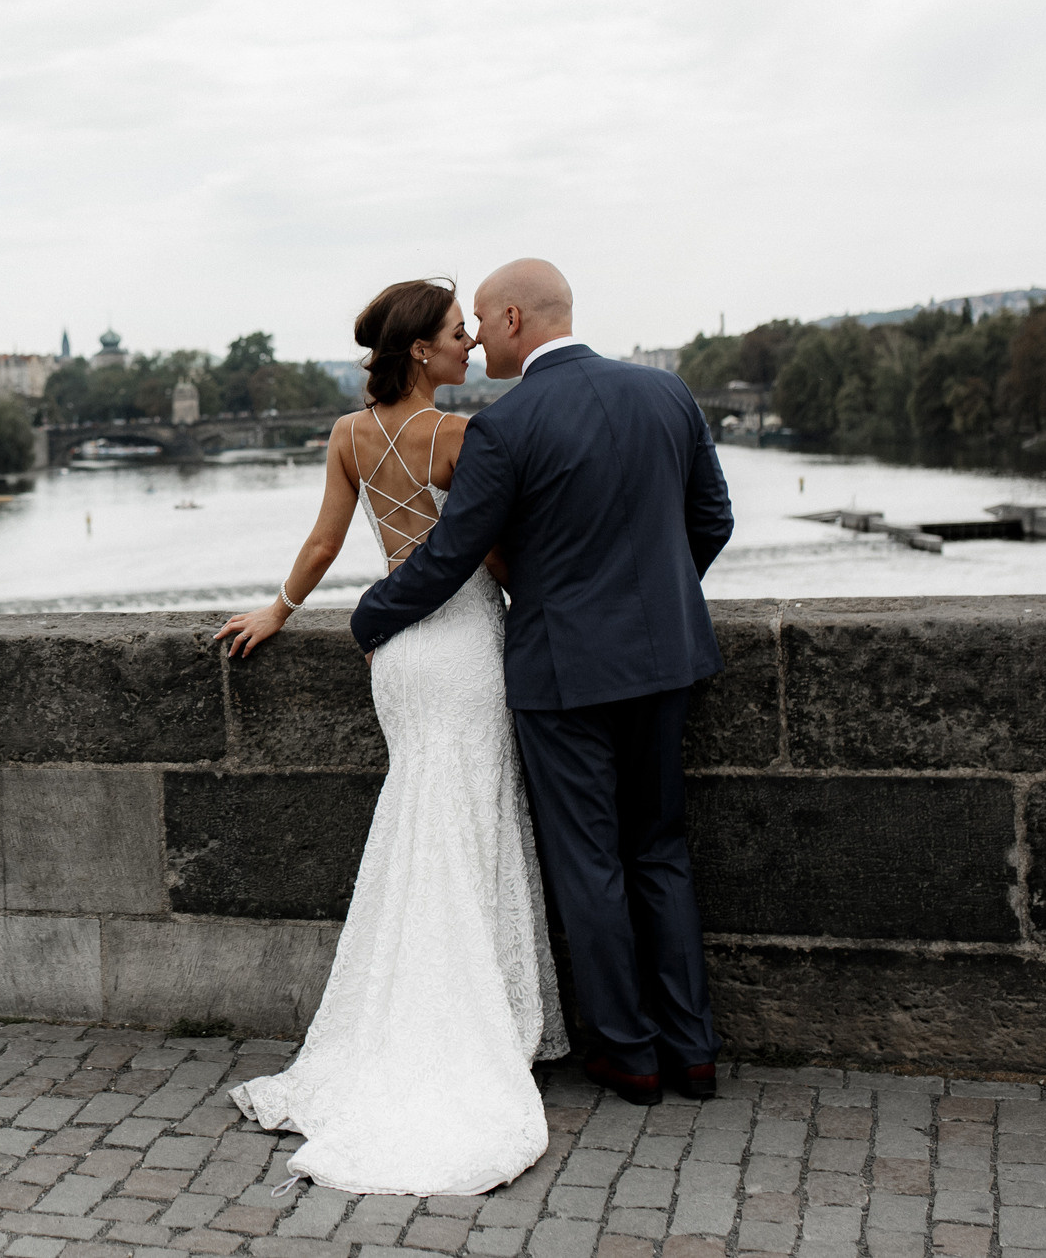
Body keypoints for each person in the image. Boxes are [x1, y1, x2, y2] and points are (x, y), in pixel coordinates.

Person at [353, 259, 734, 1107]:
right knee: (661, 850)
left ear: (518, 318)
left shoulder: (507, 423)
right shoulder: (666, 393)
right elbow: (712, 519)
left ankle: (629, 1056)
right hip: (666, 661)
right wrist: (660, 608)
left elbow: (451, 557)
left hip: (563, 673)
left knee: (591, 861)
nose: (479, 335)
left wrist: (369, 617)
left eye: (484, 320)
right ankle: (694, 1052)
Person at [215, 276, 563, 1197]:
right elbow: (492, 555)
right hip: (463, 641)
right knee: (473, 814)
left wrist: (279, 608)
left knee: (421, 812)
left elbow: (329, 544)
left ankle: (409, 1015)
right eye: (456, 333)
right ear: (422, 351)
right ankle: (476, 1019)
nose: (469, 343)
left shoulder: (348, 435)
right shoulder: (461, 435)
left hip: (401, 650)